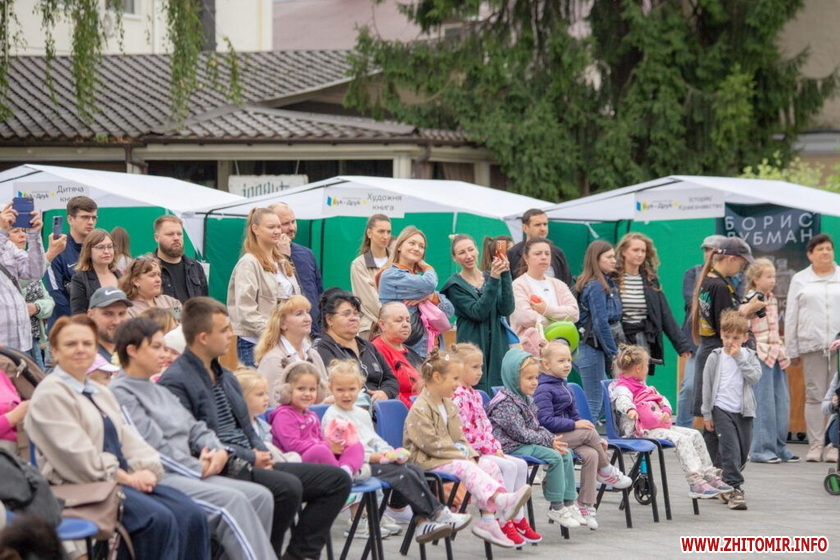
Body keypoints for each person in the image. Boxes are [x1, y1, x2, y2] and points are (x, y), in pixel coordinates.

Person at [158, 296, 351, 559]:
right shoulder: (177, 381)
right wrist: (250, 457)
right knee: (286, 488)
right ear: (203, 338)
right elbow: (196, 439)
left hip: (249, 459)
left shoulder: (225, 375)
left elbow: (247, 427)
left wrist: (262, 451)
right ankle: (263, 554)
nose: (231, 335)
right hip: (221, 464)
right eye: (224, 330)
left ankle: (298, 555)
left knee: (336, 480)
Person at [24, 315, 210, 560]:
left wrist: (148, 469)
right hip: (79, 486)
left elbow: (128, 438)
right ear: (55, 352)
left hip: (117, 481)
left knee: (192, 513)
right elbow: (77, 458)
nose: (80, 349)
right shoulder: (50, 394)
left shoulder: (98, 391)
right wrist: (127, 477)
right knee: (156, 519)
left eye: (87, 343)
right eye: (71, 344)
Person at [110, 318, 277, 560]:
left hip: (191, 470)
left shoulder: (157, 389)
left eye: (164, 346)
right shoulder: (121, 393)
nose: (164, 353)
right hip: (163, 476)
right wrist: (198, 468)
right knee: (233, 502)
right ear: (132, 350)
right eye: (156, 347)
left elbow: (195, 427)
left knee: (261, 497)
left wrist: (219, 451)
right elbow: (152, 449)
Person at [322, 359, 472, 543]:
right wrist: (376, 457)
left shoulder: (360, 413)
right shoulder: (332, 416)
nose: (346, 394)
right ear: (330, 389)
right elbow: (343, 451)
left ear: (360, 387)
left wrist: (390, 452)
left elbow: (373, 439)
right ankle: (437, 514)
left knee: (413, 469)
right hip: (354, 467)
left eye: (351, 389)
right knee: (401, 474)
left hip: (374, 460)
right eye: (340, 390)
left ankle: (423, 522)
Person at [404, 349, 532, 548]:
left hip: (448, 457)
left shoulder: (448, 406)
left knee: (489, 465)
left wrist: (471, 454)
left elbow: (459, 438)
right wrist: (463, 457)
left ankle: (488, 521)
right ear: (437, 377)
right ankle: (501, 499)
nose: (458, 383)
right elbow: (431, 445)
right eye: (454, 378)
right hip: (427, 461)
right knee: (466, 467)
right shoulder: (420, 408)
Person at [609, 345, 733, 503]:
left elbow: (661, 399)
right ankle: (695, 481)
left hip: (656, 426)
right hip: (640, 430)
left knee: (695, 434)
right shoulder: (622, 387)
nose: (647, 369)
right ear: (639, 368)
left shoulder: (644, 386)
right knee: (681, 439)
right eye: (647, 366)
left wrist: (666, 410)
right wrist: (630, 409)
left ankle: (709, 474)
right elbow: (622, 400)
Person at [450, 343, 542, 544]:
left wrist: (495, 446)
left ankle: (518, 518)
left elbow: (485, 426)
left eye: (481, 367)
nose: (480, 372)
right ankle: (502, 520)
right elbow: (463, 433)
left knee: (521, 464)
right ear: (458, 368)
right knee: (508, 467)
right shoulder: (456, 397)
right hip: (471, 452)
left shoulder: (475, 394)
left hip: (486, 449)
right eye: (474, 367)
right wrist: (489, 448)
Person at [533, 341, 631, 529]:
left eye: (569, 360)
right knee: (588, 431)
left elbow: (576, 416)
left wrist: (596, 440)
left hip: (568, 436)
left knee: (592, 453)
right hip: (551, 438)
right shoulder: (543, 388)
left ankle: (585, 505)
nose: (567, 364)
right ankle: (606, 469)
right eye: (561, 361)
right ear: (546, 364)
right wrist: (575, 425)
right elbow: (544, 421)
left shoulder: (565, 386)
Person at [486, 348, 584, 529]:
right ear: (514, 378)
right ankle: (556, 506)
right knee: (555, 457)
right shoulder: (505, 402)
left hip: (523, 443)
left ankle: (569, 501)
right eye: (529, 378)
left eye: (536, 378)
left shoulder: (525, 398)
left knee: (565, 452)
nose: (534, 382)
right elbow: (521, 433)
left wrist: (551, 439)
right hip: (510, 446)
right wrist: (548, 441)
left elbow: (536, 426)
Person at [690, 237, 765, 463]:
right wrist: (748, 309)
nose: (742, 268)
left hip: (709, 349)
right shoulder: (721, 286)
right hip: (718, 354)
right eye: (741, 263)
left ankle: (714, 469)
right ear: (731, 259)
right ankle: (718, 470)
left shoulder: (709, 281)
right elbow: (726, 325)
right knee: (718, 418)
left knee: (714, 420)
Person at [784, 233, 840, 463]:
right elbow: (791, 315)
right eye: (820, 249)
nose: (825, 252)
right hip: (812, 345)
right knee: (815, 395)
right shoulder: (800, 279)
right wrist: (792, 349)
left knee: (838, 396)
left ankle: (834, 444)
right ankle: (816, 444)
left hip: (838, 347)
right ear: (810, 255)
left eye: (828, 248)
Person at [701, 311, 762, 510]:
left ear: (744, 337)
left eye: (735, 338)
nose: (730, 341)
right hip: (721, 408)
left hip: (744, 411)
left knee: (742, 453)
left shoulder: (750, 356)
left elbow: (754, 377)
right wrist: (707, 413)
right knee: (730, 449)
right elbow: (707, 386)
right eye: (727, 336)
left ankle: (722, 482)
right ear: (720, 334)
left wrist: (739, 358)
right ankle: (734, 489)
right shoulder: (715, 357)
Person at [441, 234, 514, 391]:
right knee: (474, 387)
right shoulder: (454, 285)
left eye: (471, 250)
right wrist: (494, 279)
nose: (468, 256)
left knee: (498, 388)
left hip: (497, 343)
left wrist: (505, 274)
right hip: (472, 344)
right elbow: (478, 312)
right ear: (455, 258)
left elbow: (507, 309)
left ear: (477, 250)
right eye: (462, 252)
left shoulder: (491, 276)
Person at [228, 208, 300, 367]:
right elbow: (245, 310)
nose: (277, 231)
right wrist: (275, 331)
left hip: (284, 342)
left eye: (278, 226)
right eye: (271, 227)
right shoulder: (249, 263)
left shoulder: (282, 262)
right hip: (255, 343)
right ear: (255, 229)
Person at [269, 362, 366, 479]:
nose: (307, 394)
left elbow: (320, 439)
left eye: (312, 389)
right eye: (301, 389)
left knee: (355, 445)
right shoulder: (283, 415)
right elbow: (292, 446)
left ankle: (346, 470)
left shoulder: (311, 415)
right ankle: (341, 477)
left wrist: (332, 445)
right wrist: (327, 446)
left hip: (319, 458)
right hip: (297, 464)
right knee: (319, 450)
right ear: (287, 390)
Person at [744, 259, 798, 463]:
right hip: (761, 354)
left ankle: (778, 446)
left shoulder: (772, 299)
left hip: (776, 354)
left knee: (781, 402)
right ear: (755, 279)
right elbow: (744, 325)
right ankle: (760, 449)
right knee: (764, 402)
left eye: (774, 276)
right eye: (768, 276)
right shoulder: (750, 299)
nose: (773, 280)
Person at [614, 232, 691, 375]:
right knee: (619, 379)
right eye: (635, 250)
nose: (640, 254)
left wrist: (682, 346)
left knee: (639, 380)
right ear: (623, 252)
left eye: (643, 251)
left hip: (642, 338)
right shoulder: (613, 279)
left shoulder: (650, 280)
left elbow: (665, 314)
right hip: (619, 338)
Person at [378, 226, 454, 358]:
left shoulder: (418, 279)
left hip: (434, 350)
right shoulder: (391, 275)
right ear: (399, 246)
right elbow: (430, 283)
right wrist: (427, 267)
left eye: (421, 246)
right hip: (410, 349)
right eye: (412, 243)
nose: (416, 248)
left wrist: (430, 296)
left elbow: (449, 311)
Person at [313, 288, 399, 403]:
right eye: (346, 314)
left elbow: (391, 379)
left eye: (356, 314)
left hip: (380, 406)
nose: (353, 318)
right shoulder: (321, 349)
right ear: (329, 319)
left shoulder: (368, 346)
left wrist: (385, 393)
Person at [676, 235, 726, 428]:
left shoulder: (734, 278)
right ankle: (682, 430)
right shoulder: (692, 273)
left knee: (720, 389)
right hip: (698, 341)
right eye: (706, 250)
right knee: (690, 387)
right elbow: (693, 303)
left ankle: (718, 432)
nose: (708, 254)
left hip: (724, 342)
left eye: (712, 250)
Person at [574, 240, 621, 420]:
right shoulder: (596, 286)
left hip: (590, 349)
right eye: (609, 257)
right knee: (594, 403)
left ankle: (579, 430)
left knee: (602, 402)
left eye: (614, 256)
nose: (613, 260)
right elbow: (600, 323)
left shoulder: (605, 283)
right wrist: (614, 353)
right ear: (596, 259)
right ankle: (581, 435)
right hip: (590, 348)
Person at [510, 236, 579, 357]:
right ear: (526, 258)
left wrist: (546, 309)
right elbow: (525, 318)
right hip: (529, 354)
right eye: (538, 253)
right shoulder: (518, 285)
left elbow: (574, 313)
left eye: (547, 253)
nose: (543, 257)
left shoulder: (558, 284)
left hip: (558, 352)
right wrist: (559, 319)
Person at [255, 295, 328, 407]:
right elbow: (277, 404)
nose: (307, 318)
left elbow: (325, 392)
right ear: (282, 324)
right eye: (299, 314)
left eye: (307, 312)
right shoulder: (273, 359)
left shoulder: (314, 354)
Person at [0, 203, 53, 355]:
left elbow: (34, 272)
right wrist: (2, 233)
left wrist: (34, 235)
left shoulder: (9, 246)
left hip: (22, 341)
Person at [45, 195, 98, 330]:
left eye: (93, 218)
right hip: (64, 328)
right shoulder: (57, 249)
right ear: (70, 219)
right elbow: (55, 293)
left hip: (96, 326)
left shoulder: (100, 248)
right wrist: (80, 322)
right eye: (85, 217)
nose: (90, 222)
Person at [5, 226, 55, 369]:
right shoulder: (8, 268)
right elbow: (18, 282)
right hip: (11, 341)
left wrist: (37, 307)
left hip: (34, 339)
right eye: (15, 231)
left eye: (23, 231)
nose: (23, 235)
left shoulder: (28, 263)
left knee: (36, 377)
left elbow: (50, 303)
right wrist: (50, 254)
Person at [269, 203, 323, 332]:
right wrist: (283, 256)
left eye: (293, 221)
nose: (292, 228)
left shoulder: (307, 254)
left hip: (312, 330)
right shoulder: (262, 257)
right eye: (285, 224)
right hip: (281, 331)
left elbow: (318, 293)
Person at [236, 368, 301, 464]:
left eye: (266, 393)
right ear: (241, 397)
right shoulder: (232, 427)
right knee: (268, 447)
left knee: (294, 456)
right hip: (251, 464)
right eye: (260, 394)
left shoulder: (264, 426)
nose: (266, 398)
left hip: (270, 463)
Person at [370, 302, 422, 408]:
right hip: (403, 410)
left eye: (408, 320)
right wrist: (416, 410)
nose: (405, 324)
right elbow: (392, 390)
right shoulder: (377, 350)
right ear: (382, 325)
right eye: (399, 320)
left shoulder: (411, 352)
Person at [350, 214, 391, 338]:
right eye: (381, 231)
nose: (385, 236)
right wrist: (394, 319)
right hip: (371, 330)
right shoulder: (359, 264)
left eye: (388, 232)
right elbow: (370, 301)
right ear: (369, 233)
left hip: (398, 328)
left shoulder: (397, 261)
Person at [506, 209, 571, 285]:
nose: (543, 229)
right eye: (537, 225)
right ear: (525, 228)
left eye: (545, 224)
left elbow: (568, 283)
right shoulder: (513, 254)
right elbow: (507, 285)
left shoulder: (557, 253)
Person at [154, 215, 209, 303]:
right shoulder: (148, 268)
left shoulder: (195, 267)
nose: (176, 238)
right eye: (170, 234)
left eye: (179, 234)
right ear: (157, 237)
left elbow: (205, 303)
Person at [70, 228, 121, 314]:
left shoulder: (119, 274)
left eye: (110, 246)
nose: (106, 251)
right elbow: (78, 314)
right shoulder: (80, 279)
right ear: (89, 251)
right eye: (100, 247)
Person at [87, 286, 132, 362]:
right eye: (108, 314)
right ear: (91, 315)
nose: (117, 321)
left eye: (121, 314)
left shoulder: (133, 350)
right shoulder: (84, 357)